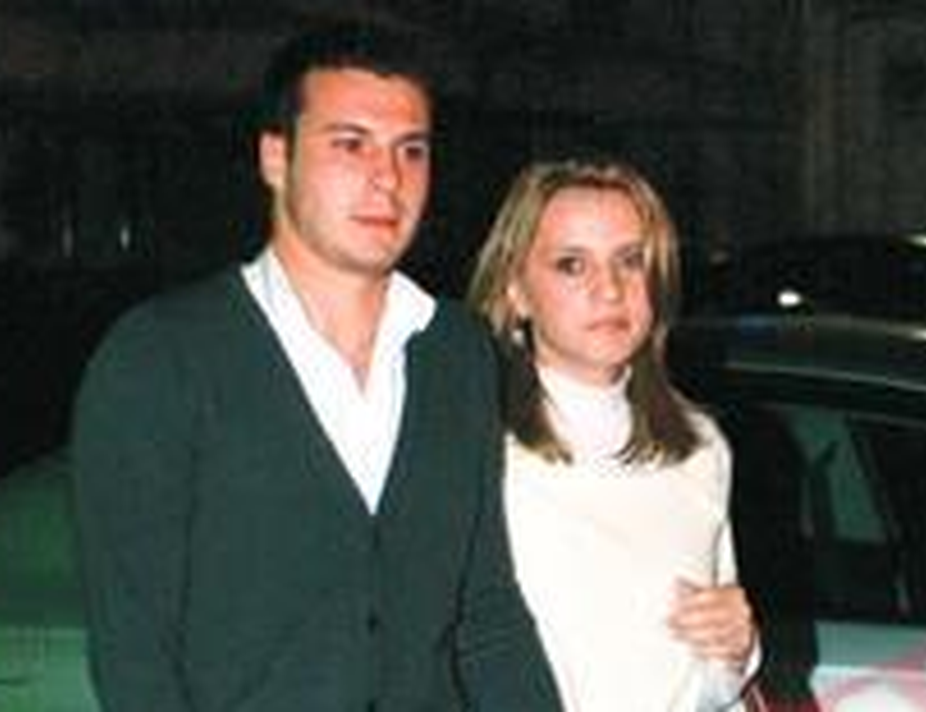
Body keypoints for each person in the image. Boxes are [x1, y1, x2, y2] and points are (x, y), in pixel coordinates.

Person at [71, 20, 562, 712]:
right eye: (350, 144)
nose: (387, 179)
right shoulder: (163, 357)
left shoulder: (457, 353)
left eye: (411, 150)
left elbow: (484, 613)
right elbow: (136, 653)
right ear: (276, 158)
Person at [467, 157, 760, 711]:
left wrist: (738, 647)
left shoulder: (699, 446)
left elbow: (708, 685)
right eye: (572, 265)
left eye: (631, 261)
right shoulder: (476, 448)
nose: (610, 290)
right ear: (516, 291)